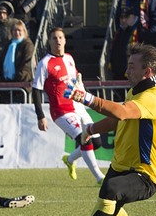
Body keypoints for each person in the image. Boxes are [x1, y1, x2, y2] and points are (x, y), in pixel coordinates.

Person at [63, 44, 156, 216]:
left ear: (147, 71)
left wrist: (86, 98)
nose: (126, 71)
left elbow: (121, 112)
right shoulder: (138, 90)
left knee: (109, 194)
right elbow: (119, 118)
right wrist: (90, 130)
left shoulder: (152, 98)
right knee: (110, 203)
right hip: (120, 166)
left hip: (144, 175)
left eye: (132, 66)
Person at [32, 27, 105, 183]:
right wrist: (40, 116)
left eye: (60, 37)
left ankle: (70, 159)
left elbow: (76, 82)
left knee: (97, 142)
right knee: (84, 139)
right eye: (54, 38)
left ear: (64, 40)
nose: (57, 40)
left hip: (78, 106)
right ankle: (100, 178)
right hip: (62, 111)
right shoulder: (45, 63)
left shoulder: (69, 58)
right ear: (49, 41)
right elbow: (36, 90)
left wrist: (85, 97)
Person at [0, 19, 34, 84]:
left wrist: (19, 77)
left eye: (19, 30)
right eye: (15, 30)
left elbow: (27, 63)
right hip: (6, 82)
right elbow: (1, 61)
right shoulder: (8, 44)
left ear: (24, 31)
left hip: (22, 82)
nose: (17, 33)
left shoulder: (27, 44)